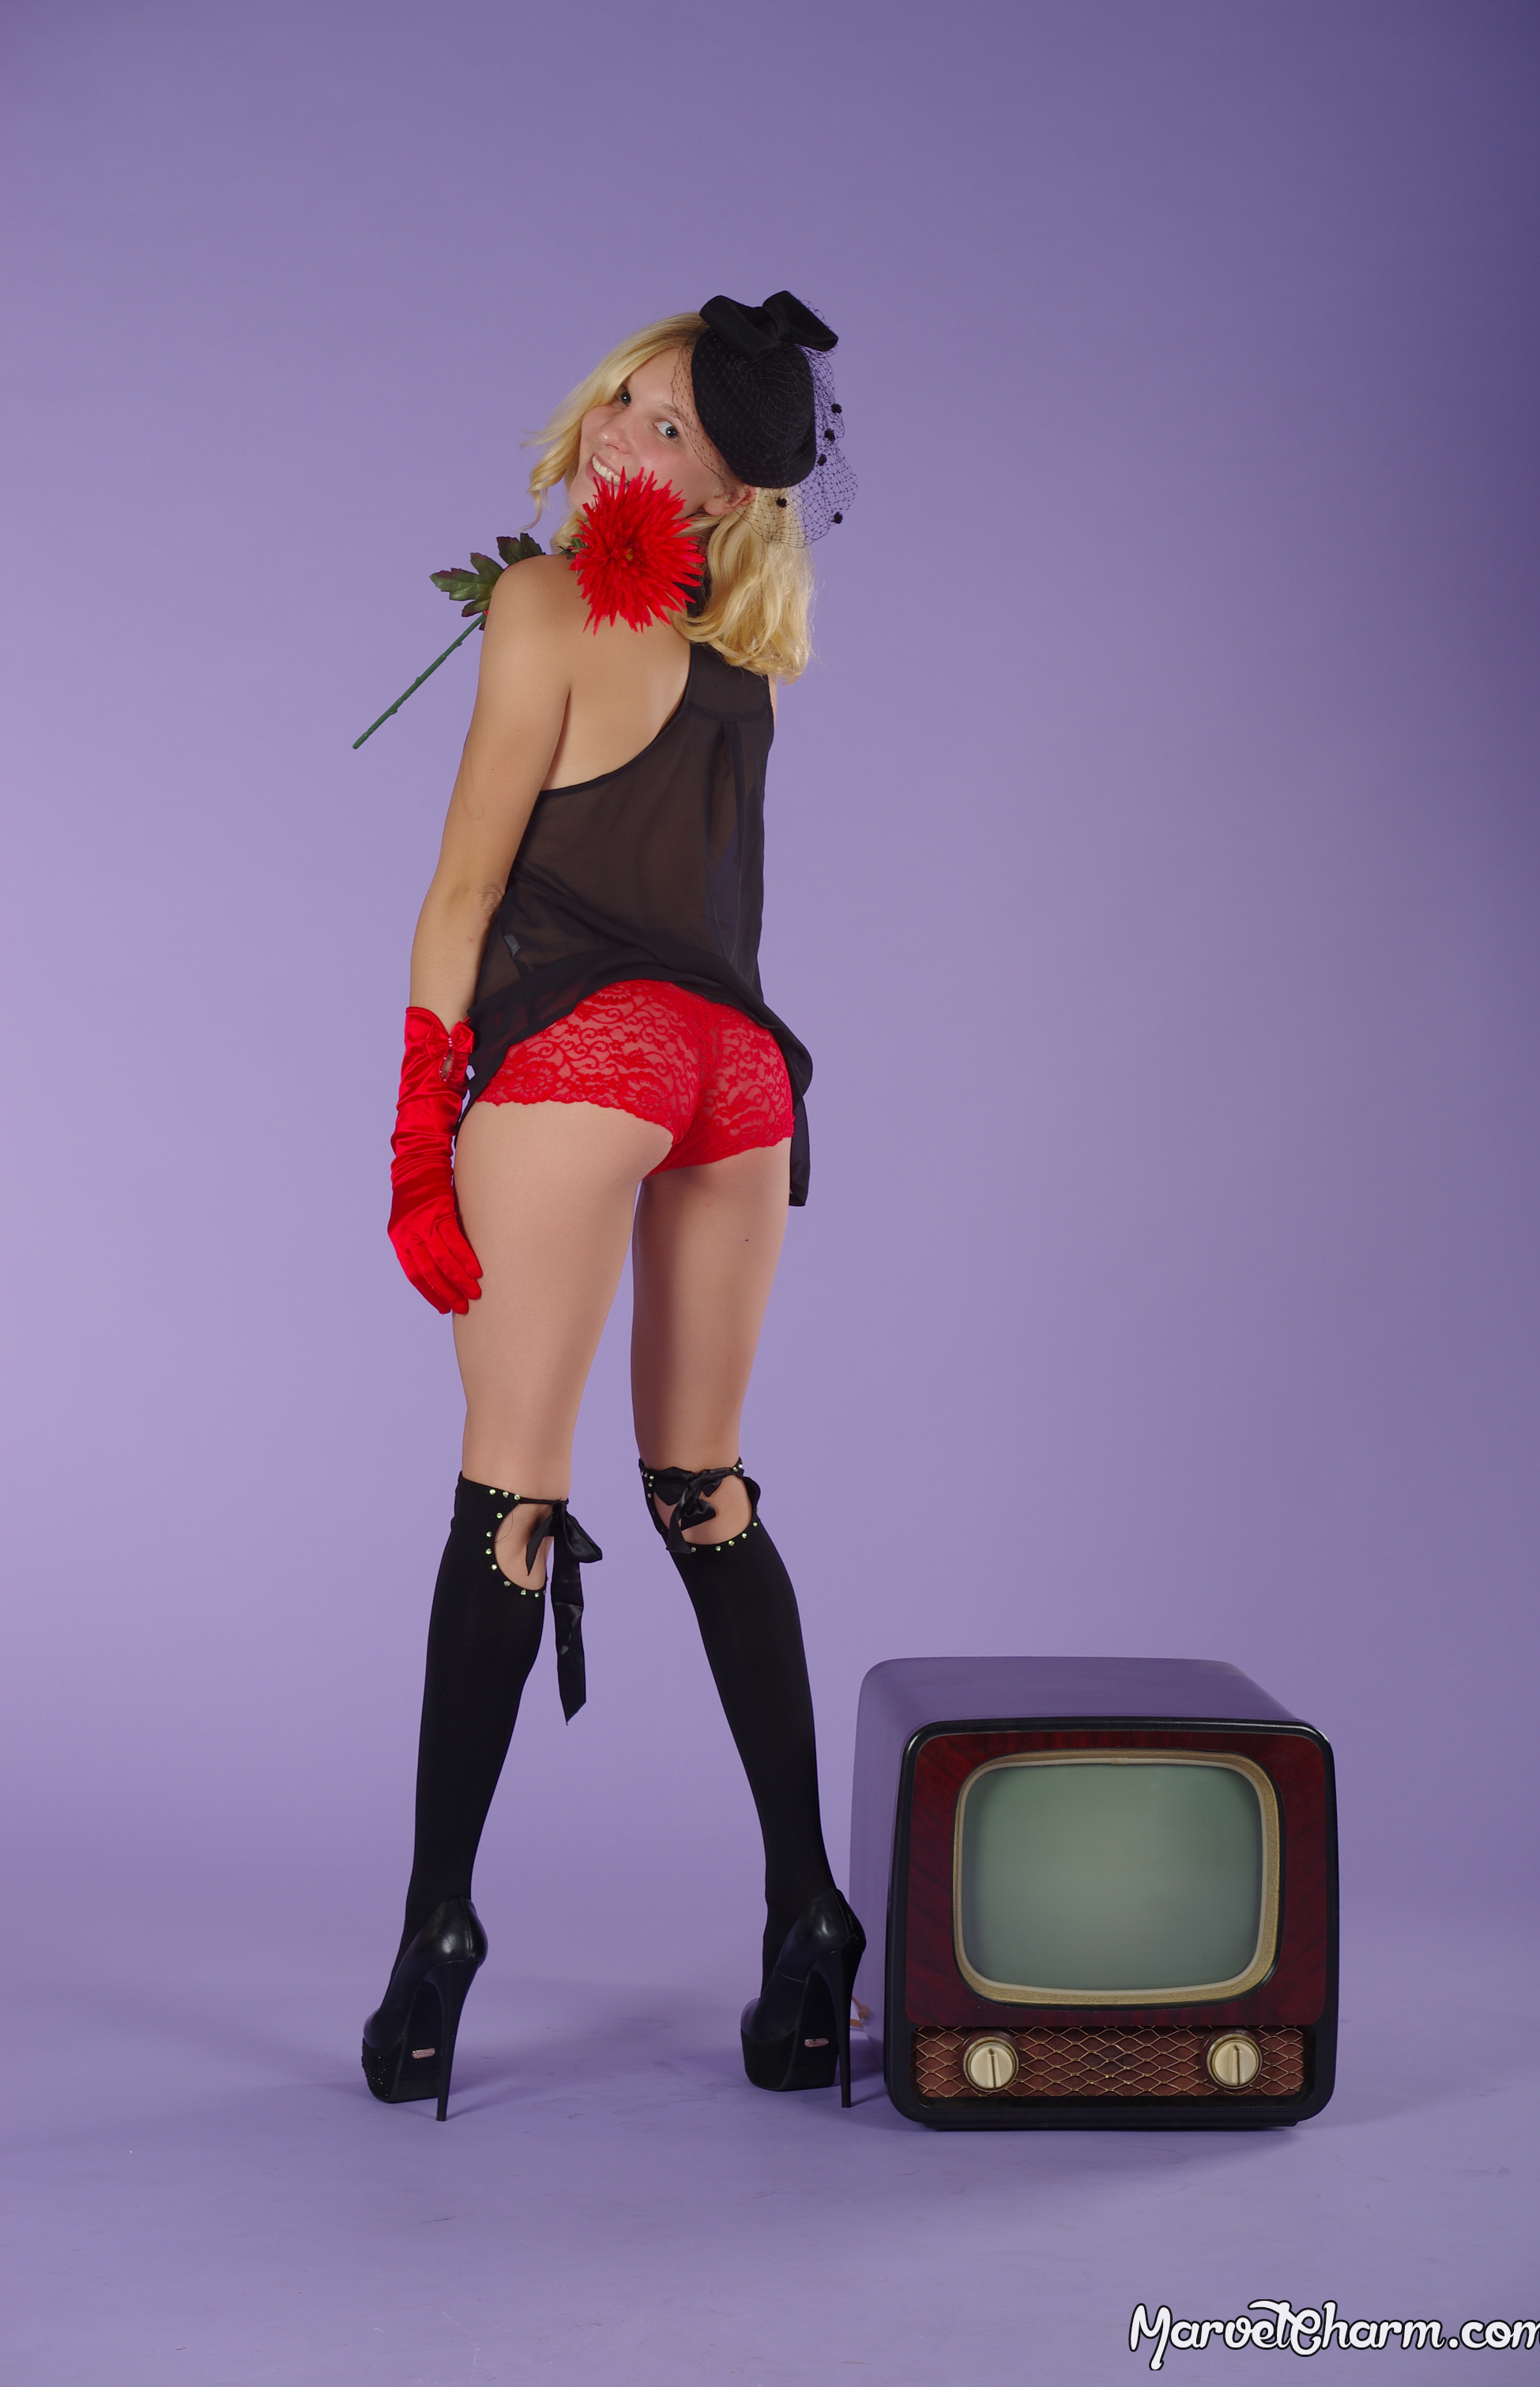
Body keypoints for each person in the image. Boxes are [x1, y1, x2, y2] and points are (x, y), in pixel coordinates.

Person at [361, 292, 864, 2120]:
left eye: (663, 432)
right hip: (740, 1078)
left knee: (511, 1493)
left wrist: (418, 1132)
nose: (614, 441)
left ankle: (435, 1939)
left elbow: (462, 892)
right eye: (622, 401)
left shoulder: (539, 607)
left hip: (590, 1055)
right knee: (703, 1487)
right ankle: (808, 1913)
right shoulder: (750, 664)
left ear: (721, 497)